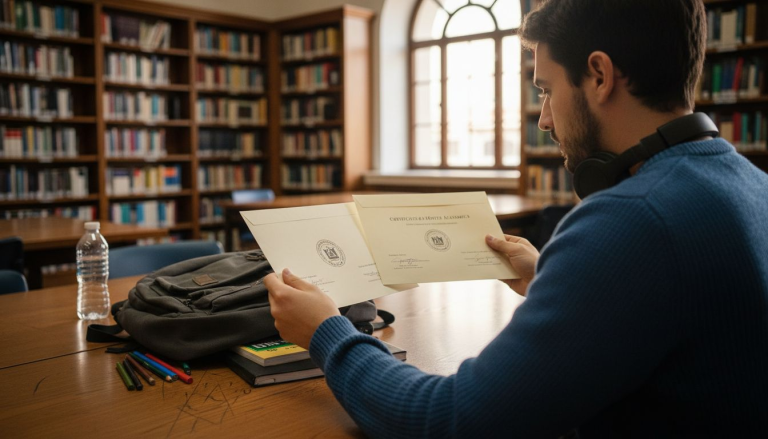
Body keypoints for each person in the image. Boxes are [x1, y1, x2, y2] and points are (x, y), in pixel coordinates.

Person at [264, 0, 768, 436]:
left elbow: (447, 421)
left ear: (599, 75)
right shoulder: (751, 185)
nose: (545, 118)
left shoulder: (632, 220)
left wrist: (326, 332)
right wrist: (553, 275)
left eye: (546, 89)